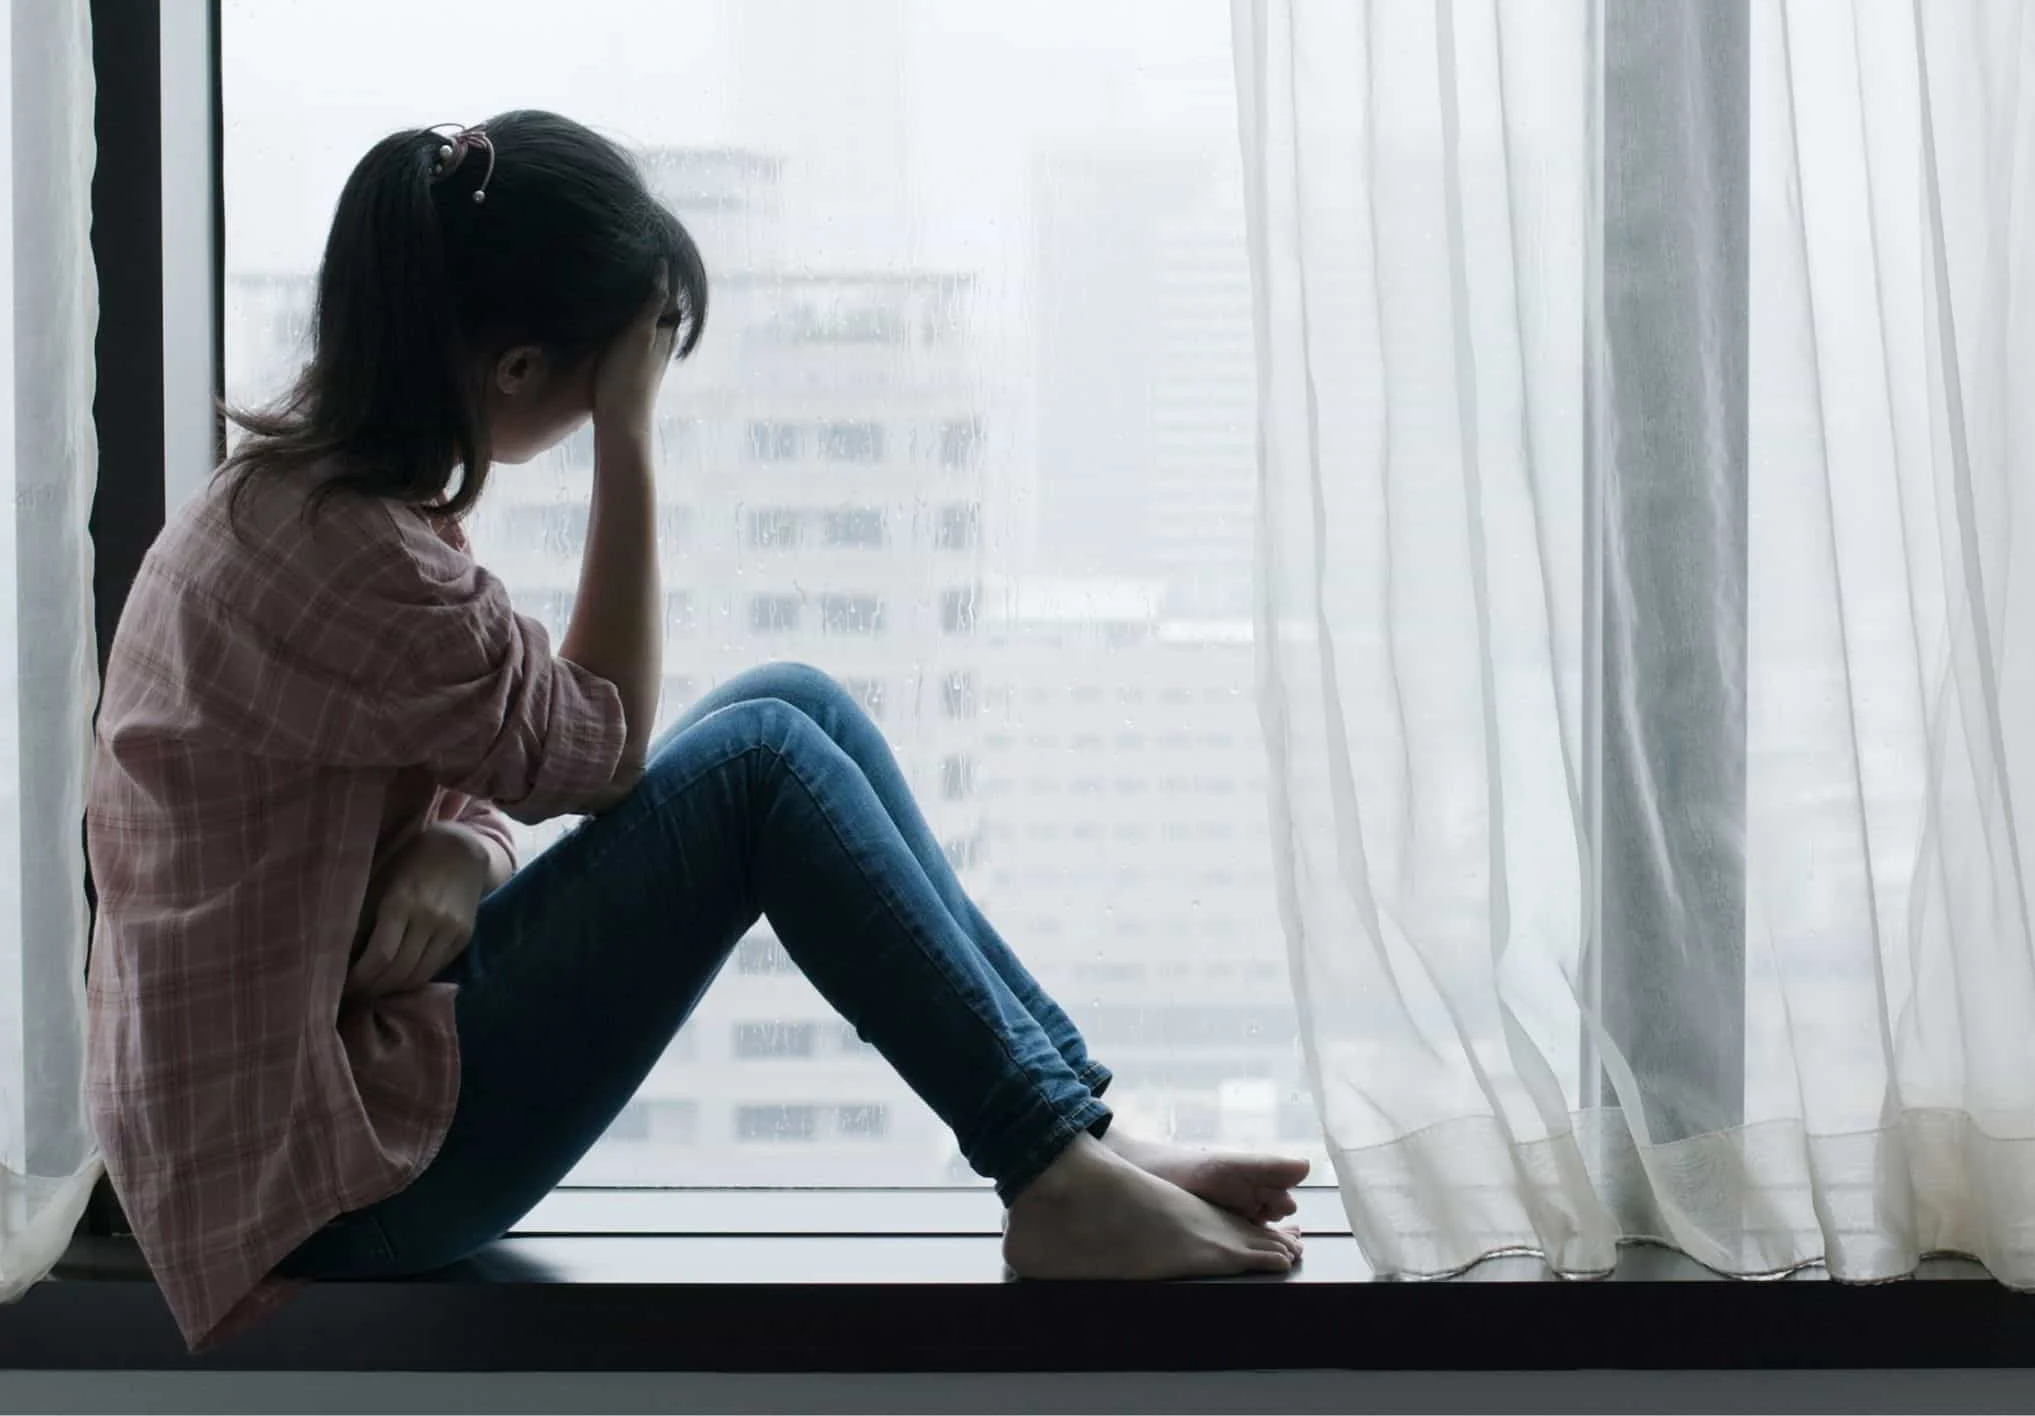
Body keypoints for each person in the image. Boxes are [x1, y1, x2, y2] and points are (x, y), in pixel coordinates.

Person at [85, 111, 1307, 1353]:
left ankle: (1077, 1135)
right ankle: (1050, 1174)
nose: (617, 399)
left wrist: (471, 850)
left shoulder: (292, 505)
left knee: (795, 702)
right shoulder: (357, 558)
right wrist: (631, 434)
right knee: (765, 767)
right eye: (613, 373)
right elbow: (599, 749)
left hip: (288, 1121)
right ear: (517, 369)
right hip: (323, 1189)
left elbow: (445, 761)